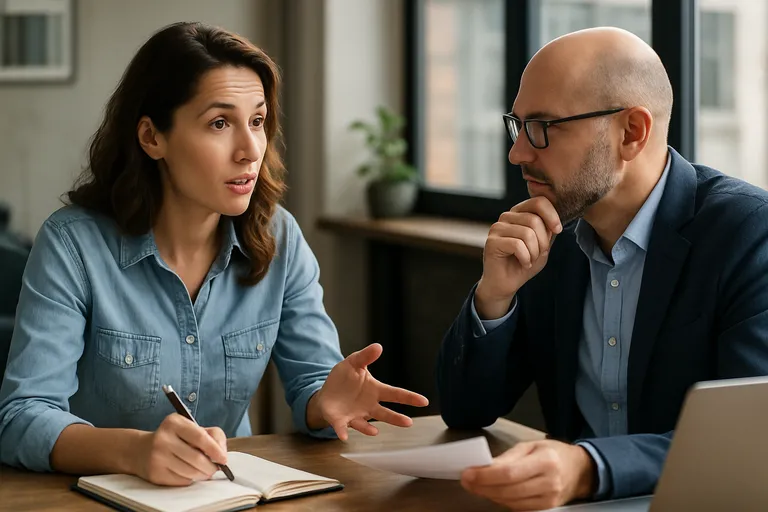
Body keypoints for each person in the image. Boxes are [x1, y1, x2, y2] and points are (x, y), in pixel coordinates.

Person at [0, 22, 428, 485]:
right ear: (151, 138)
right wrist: (134, 450)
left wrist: (325, 403)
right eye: (219, 123)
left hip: (229, 494)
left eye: (258, 121)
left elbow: (314, 388)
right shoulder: (73, 245)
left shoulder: (280, 238)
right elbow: (21, 417)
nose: (249, 150)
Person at [437, 27, 768, 510]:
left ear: (632, 132)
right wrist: (494, 297)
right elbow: (467, 410)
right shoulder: (553, 236)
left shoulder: (747, 233)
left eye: (544, 128)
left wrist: (590, 467)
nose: (518, 153)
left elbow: (750, 439)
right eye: (518, 125)